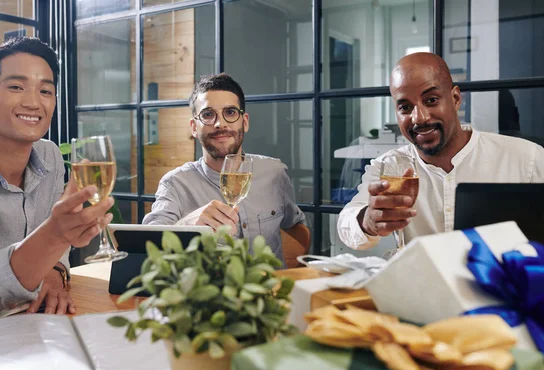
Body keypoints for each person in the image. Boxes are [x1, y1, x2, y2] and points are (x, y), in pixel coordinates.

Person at [0, 37, 114, 315]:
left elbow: (55, 256)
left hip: (32, 321)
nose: (34, 103)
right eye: (16, 87)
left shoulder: (49, 156)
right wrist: (56, 235)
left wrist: (55, 270)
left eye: (45, 91)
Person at [338, 52, 544, 250]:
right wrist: (368, 220)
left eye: (431, 100)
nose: (419, 117)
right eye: (405, 107)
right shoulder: (389, 166)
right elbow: (347, 223)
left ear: (455, 98)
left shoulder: (527, 158)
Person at [142, 73, 305, 264]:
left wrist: (294, 274)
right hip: (211, 294)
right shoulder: (175, 184)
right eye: (208, 114)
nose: (220, 124)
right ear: (194, 127)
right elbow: (148, 251)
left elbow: (295, 228)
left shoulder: (275, 172)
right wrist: (187, 226)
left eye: (230, 112)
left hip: (269, 292)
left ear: (244, 122)